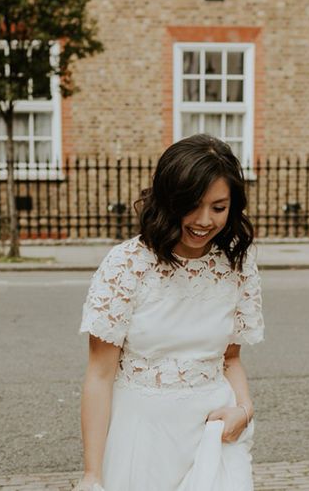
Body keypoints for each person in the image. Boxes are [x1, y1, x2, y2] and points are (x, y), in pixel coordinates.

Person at [75, 134, 265, 491]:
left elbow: (231, 358)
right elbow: (99, 376)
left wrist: (244, 410)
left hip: (214, 435)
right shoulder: (126, 265)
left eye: (219, 207)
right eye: (191, 205)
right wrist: (92, 476)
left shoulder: (238, 265)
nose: (203, 220)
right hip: (143, 440)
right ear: (168, 199)